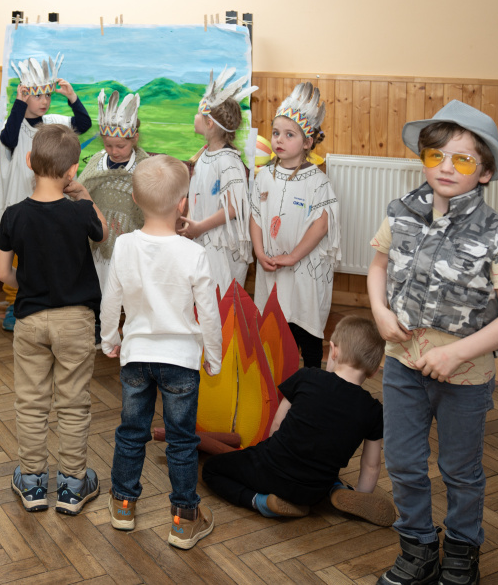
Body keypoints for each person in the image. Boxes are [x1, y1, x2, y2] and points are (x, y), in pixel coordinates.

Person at [368, 100, 498, 585]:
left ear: (484, 172)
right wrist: (379, 312)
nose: (446, 167)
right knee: (402, 462)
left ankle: (462, 552)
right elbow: (378, 267)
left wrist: (456, 352)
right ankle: (417, 549)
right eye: (436, 155)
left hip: (465, 375)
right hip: (402, 364)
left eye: (462, 159)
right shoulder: (400, 214)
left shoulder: (497, 236)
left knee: (460, 470)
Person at [100, 155, 222, 550]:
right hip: (181, 362)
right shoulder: (193, 253)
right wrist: (214, 356)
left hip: (136, 356)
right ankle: (185, 520)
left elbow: (110, 300)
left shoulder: (124, 246)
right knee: (182, 442)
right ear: (183, 202)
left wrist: (109, 338)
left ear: (135, 199)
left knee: (131, 433)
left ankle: (123, 505)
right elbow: (209, 314)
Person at [0, 124, 108, 515]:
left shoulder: (13, 215)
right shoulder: (80, 212)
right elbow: (102, 233)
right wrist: (84, 194)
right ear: (72, 171)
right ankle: (73, 486)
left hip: (30, 321)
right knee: (73, 403)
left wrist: (27, 283)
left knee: (31, 402)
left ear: (29, 161)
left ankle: (32, 482)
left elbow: (2, 273)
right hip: (76, 322)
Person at [202, 316, 393, 525]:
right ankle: (337, 490)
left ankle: (261, 502)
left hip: (271, 472)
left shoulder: (307, 377)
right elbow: (371, 465)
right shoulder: (374, 410)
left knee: (211, 470)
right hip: (315, 489)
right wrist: (363, 494)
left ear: (333, 351)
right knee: (322, 464)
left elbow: (277, 425)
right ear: (374, 371)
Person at [0, 54, 92, 331]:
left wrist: (72, 97)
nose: (44, 101)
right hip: (20, 203)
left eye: (47, 95)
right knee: (17, 255)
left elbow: (83, 124)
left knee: (43, 254)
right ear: (25, 95)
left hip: (48, 203)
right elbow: (8, 138)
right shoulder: (14, 125)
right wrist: (19, 102)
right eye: (38, 96)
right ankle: (14, 303)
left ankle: (43, 300)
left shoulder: (53, 122)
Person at [250, 83, 341, 369]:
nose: (279, 140)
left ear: (307, 142)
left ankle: (311, 379)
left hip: (304, 271)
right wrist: (259, 252)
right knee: (277, 329)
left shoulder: (318, 182)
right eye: (276, 132)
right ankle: (279, 381)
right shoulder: (264, 177)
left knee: (306, 328)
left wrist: (292, 256)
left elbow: (321, 225)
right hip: (271, 267)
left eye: (290, 135)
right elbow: (255, 216)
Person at [177, 67, 256, 297]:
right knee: (204, 298)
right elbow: (198, 196)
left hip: (222, 248)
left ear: (209, 123)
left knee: (220, 300)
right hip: (203, 239)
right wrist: (190, 223)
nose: (194, 118)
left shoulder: (228, 162)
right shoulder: (204, 155)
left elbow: (233, 208)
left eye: (198, 114)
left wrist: (200, 227)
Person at [77, 89, 149, 293]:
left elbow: (149, 207)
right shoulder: (97, 161)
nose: (114, 151)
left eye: (120, 146)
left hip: (128, 245)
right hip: (97, 242)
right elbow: (83, 191)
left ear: (134, 138)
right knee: (98, 288)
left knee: (122, 291)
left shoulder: (144, 167)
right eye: (108, 145)